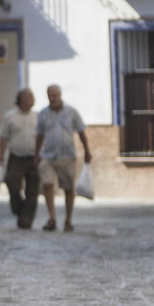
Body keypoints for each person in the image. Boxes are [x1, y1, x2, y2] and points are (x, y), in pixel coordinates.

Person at [35, 84, 92, 232]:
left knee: (68, 188)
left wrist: (87, 150)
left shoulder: (71, 112)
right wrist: (36, 154)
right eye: (50, 96)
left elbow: (81, 131)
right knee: (47, 184)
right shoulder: (43, 113)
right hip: (48, 155)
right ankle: (52, 218)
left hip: (68, 156)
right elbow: (39, 135)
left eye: (55, 95)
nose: (52, 98)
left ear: (60, 95)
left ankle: (68, 220)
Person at [0, 88, 40, 229]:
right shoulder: (10, 116)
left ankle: (26, 219)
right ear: (21, 100)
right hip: (16, 157)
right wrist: (1, 158)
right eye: (30, 97)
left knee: (33, 189)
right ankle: (20, 209)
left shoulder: (37, 116)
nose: (33, 99)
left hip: (34, 157)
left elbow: (42, 136)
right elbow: (3, 137)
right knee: (12, 183)